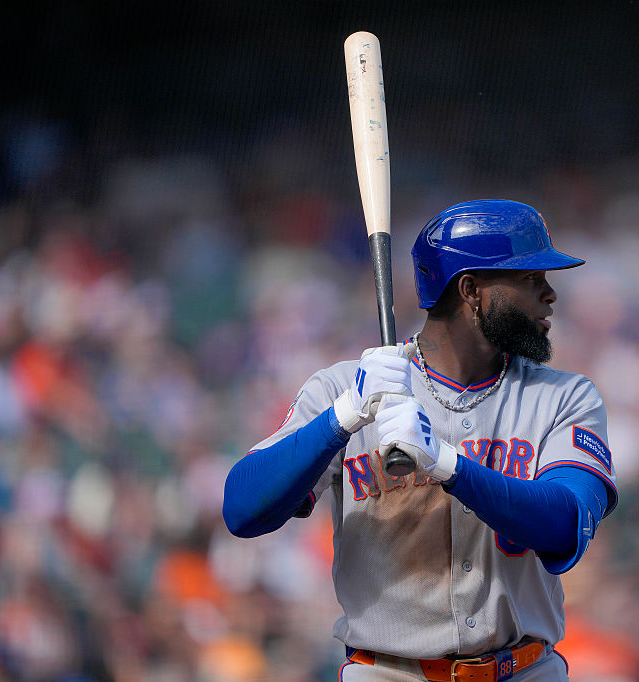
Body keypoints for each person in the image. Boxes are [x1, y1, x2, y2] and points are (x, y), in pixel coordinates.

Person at [223, 199, 618, 681]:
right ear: (471, 290)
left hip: (523, 671)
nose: (550, 294)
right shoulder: (348, 389)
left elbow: (565, 526)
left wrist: (447, 464)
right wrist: (342, 418)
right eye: (530, 279)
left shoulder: (565, 397)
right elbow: (242, 511)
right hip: (388, 672)